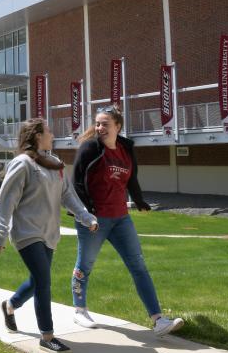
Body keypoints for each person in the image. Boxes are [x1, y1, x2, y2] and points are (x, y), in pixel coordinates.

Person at [70, 105, 184, 336]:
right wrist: (84, 213)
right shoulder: (90, 148)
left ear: (118, 126)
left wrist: (139, 200)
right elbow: (77, 182)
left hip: (121, 218)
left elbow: (132, 178)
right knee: (85, 265)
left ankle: (158, 319)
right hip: (94, 219)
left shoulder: (125, 148)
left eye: (105, 124)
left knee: (138, 266)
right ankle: (79, 310)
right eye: (98, 123)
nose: (100, 128)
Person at [0, 118, 98, 353]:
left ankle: (10, 306)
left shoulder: (55, 165)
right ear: (38, 136)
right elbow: (6, 200)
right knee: (43, 281)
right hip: (27, 233)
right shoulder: (23, 164)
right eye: (48, 131)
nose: (52, 134)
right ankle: (47, 336)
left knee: (36, 281)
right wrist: (0, 233)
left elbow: (68, 196)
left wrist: (86, 216)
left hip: (49, 233)